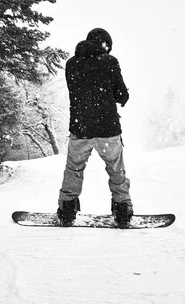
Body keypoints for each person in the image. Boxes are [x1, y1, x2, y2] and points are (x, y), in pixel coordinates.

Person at [57, 28, 133, 228]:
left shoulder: (71, 64)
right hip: (108, 129)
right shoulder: (110, 62)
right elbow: (121, 95)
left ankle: (67, 209)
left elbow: (76, 91)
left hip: (80, 128)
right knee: (116, 170)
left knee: (74, 169)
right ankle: (122, 210)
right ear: (105, 45)